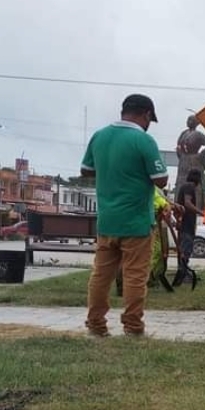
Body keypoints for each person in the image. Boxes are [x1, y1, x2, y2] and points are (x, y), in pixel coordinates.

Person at [80, 93, 169, 337]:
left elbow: (86, 170)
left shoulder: (99, 136)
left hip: (107, 221)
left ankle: (96, 324)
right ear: (146, 114)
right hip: (136, 222)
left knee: (101, 275)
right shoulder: (143, 140)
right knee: (135, 276)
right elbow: (160, 179)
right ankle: (133, 326)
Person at [173, 170, 203, 286]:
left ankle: (184, 272)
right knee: (186, 250)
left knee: (184, 249)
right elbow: (187, 203)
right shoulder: (189, 186)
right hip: (186, 224)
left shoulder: (184, 186)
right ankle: (183, 275)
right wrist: (201, 212)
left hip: (184, 223)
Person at [176, 115, 205, 205]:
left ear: (196, 123)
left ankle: (198, 203)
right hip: (184, 159)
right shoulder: (183, 133)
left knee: (195, 182)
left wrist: (202, 153)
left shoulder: (198, 134)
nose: (188, 121)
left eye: (191, 120)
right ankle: (179, 202)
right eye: (188, 119)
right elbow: (179, 145)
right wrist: (180, 154)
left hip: (194, 159)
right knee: (181, 180)